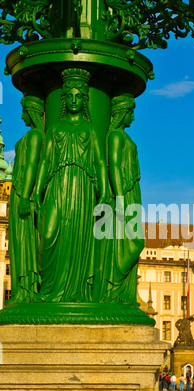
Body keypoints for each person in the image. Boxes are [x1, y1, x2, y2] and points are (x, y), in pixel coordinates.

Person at [35, 68, 108, 302]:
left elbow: (99, 161)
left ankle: (76, 290)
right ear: (64, 100)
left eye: (79, 96)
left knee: (80, 238)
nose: (74, 101)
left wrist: (105, 190)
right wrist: (37, 191)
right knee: (48, 234)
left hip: (84, 187)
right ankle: (50, 289)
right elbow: (45, 160)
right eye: (70, 96)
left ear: (85, 100)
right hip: (57, 184)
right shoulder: (55, 129)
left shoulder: (90, 130)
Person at [94, 93, 144, 304]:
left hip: (132, 192)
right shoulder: (114, 136)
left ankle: (121, 291)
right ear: (123, 112)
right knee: (131, 242)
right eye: (130, 113)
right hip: (123, 193)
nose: (132, 118)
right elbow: (113, 165)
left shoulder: (125, 137)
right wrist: (120, 197)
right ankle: (111, 285)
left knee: (130, 241)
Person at [8, 95, 45, 303]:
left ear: (31, 111)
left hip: (24, 194)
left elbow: (32, 165)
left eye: (24, 110)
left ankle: (27, 290)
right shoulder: (31, 136)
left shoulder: (35, 136)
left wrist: (24, 197)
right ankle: (22, 290)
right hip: (19, 192)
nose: (22, 115)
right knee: (18, 244)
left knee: (26, 243)